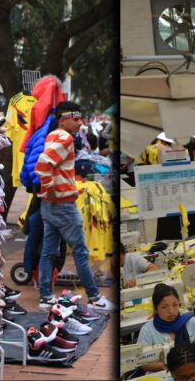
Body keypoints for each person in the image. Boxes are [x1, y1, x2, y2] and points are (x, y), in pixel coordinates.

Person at [34, 102, 114, 312]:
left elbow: (50, 166)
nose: (80, 123)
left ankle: (45, 297)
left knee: (48, 252)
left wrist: (53, 190)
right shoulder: (65, 137)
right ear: (63, 119)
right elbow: (42, 165)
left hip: (50, 205)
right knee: (80, 251)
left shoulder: (53, 135)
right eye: (76, 119)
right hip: (62, 205)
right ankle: (95, 297)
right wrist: (52, 189)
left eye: (80, 119)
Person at [137, 283, 195, 372]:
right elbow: (145, 365)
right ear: (156, 309)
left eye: (175, 305)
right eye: (164, 307)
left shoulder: (189, 322)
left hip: (190, 374)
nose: (171, 311)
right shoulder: (147, 330)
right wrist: (175, 365)